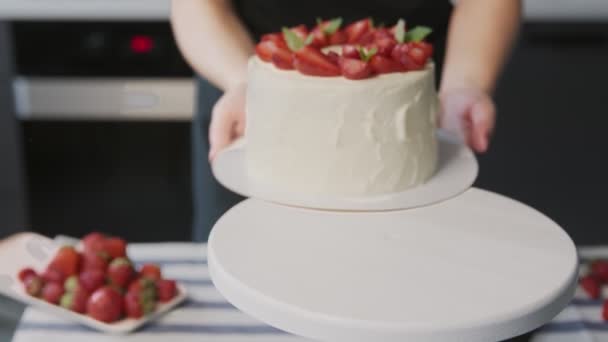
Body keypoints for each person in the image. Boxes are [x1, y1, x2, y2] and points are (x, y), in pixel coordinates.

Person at [171, 0, 520, 239]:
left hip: (422, 86)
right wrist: (246, 84)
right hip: (248, 83)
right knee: (247, 277)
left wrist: (465, 84)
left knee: (413, 278)